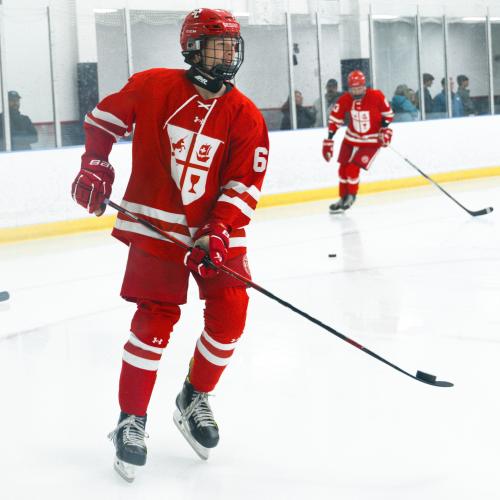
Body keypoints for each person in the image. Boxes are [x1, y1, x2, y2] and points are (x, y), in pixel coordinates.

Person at [70, 8, 269, 482]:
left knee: (231, 314)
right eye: (219, 46)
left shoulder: (246, 115)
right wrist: (95, 163)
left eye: (233, 46)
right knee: (154, 320)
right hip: (156, 226)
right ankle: (131, 420)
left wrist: (218, 230)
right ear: (193, 50)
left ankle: (194, 396)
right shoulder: (153, 85)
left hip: (216, 234)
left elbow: (243, 185)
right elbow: (102, 121)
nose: (228, 55)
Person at [321, 70, 394, 213]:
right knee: (342, 169)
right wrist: (329, 140)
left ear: (364, 86)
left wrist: (384, 130)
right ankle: (342, 197)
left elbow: (388, 115)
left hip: (371, 141)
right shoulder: (345, 99)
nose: (356, 92)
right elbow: (335, 119)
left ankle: (351, 196)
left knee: (352, 168)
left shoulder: (376, 96)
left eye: (359, 88)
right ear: (349, 88)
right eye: (353, 89)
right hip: (351, 138)